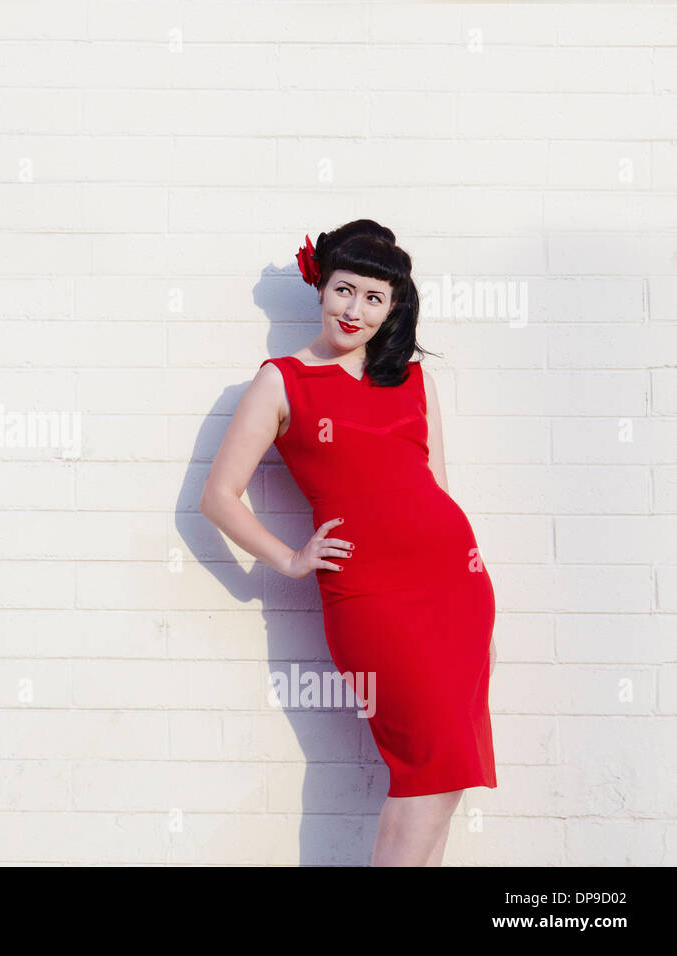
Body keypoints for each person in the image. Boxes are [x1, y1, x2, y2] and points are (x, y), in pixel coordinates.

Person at [199, 220, 497, 866]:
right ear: (322, 287)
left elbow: (435, 488)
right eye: (344, 290)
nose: (354, 309)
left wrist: (465, 572)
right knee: (427, 767)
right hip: (372, 598)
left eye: (373, 298)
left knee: (445, 777)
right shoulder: (282, 381)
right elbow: (218, 495)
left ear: (393, 308)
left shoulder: (414, 381)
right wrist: (289, 558)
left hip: (457, 589)